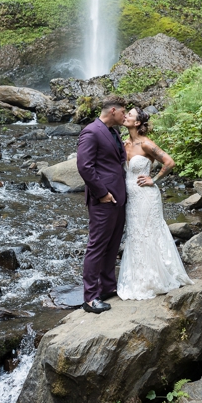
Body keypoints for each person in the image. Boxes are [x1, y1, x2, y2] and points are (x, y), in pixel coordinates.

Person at [114, 107, 192, 300]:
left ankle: (157, 276)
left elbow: (169, 162)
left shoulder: (147, 144)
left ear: (138, 122)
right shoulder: (125, 144)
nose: (126, 117)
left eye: (130, 115)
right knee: (135, 234)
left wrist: (153, 179)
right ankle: (139, 277)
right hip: (131, 196)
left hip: (146, 196)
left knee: (149, 231)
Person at [75, 96, 129, 313]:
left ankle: (107, 287)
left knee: (113, 244)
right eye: (123, 112)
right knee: (97, 247)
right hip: (103, 199)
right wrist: (102, 193)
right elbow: (84, 167)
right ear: (113, 110)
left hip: (119, 197)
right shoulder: (91, 131)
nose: (125, 116)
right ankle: (90, 298)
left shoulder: (113, 131)